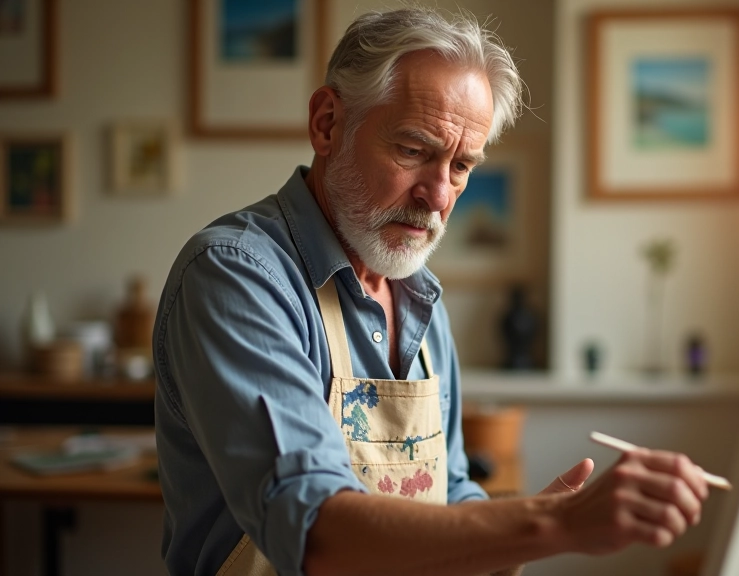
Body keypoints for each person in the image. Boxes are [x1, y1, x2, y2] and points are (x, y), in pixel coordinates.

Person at [154, 7, 709, 576]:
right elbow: (317, 532)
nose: (439, 195)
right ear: (326, 123)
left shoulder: (417, 295)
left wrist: (527, 531)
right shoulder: (236, 274)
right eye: (414, 150)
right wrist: (552, 525)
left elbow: (451, 494)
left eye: (463, 165)